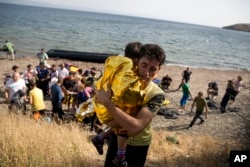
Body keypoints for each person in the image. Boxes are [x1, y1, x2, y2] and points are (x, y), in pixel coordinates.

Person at [95, 44, 166, 167]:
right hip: (116, 139)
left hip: (138, 145)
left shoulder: (157, 94)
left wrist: (107, 103)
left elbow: (135, 127)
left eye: (153, 69)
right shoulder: (125, 80)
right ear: (137, 62)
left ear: (158, 70)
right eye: (144, 65)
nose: (147, 72)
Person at [91, 42, 143, 162]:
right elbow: (129, 89)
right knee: (125, 123)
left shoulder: (115, 62)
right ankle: (120, 156)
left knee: (122, 122)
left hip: (102, 101)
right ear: (136, 58)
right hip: (113, 102)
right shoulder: (130, 67)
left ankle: (100, 137)